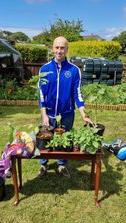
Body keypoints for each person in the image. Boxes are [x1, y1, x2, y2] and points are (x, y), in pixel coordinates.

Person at [37, 36, 92, 178]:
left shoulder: (74, 70)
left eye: (62, 48)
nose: (59, 51)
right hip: (48, 114)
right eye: (57, 47)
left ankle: (62, 165)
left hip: (67, 114)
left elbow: (77, 94)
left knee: (64, 142)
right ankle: (44, 163)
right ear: (52, 49)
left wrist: (84, 114)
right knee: (45, 141)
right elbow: (41, 94)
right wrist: (44, 115)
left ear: (67, 50)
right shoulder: (44, 69)